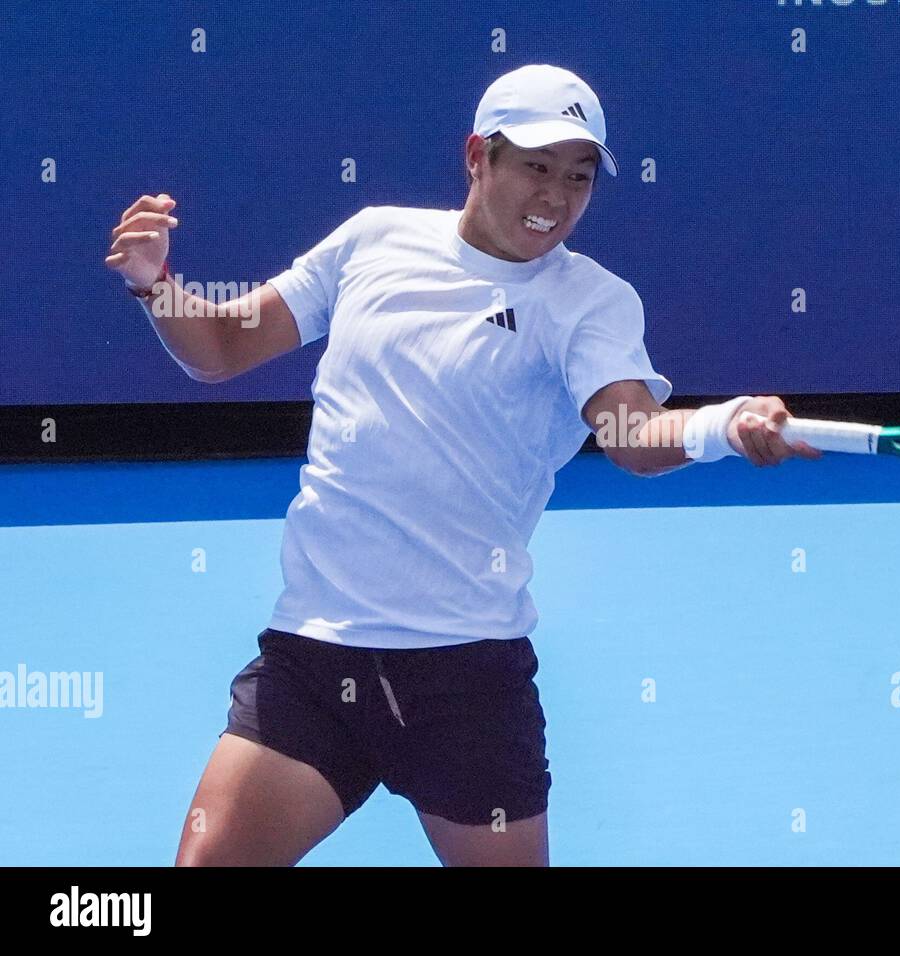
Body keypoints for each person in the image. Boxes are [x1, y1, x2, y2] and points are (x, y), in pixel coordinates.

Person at [104, 64, 820, 866]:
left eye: (580, 178)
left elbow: (629, 432)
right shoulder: (371, 240)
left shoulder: (590, 300)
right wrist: (154, 285)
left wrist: (723, 425)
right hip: (315, 657)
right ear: (478, 156)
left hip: (466, 681)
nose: (556, 197)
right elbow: (225, 346)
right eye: (537, 168)